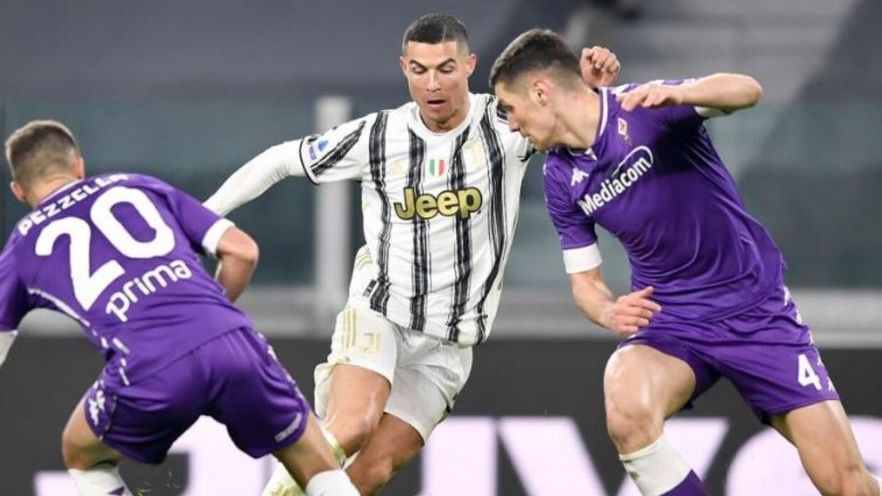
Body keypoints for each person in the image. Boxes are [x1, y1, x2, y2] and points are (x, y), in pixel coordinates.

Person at [204, 13, 620, 496]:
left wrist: (589, 91)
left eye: (445, 68)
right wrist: (201, 219)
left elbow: (572, 122)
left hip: (450, 343)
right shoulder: (379, 135)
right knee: (352, 427)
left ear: (470, 65)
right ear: (404, 68)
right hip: (382, 311)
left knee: (369, 474)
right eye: (419, 70)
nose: (432, 84)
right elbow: (280, 160)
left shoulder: (506, 122)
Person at [489, 28, 882, 496]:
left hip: (755, 311)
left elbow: (747, 90)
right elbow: (585, 282)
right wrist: (608, 311)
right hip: (672, 319)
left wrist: (683, 93)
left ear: (540, 91)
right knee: (626, 405)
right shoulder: (559, 177)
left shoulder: (644, 107)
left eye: (510, 108)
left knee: (846, 484)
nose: (512, 124)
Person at [0, 120, 359, 496]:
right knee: (316, 462)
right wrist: (206, 321)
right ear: (78, 166)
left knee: (81, 455)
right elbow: (242, 252)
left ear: (18, 190)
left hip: (148, 364)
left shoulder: (23, 245)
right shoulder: (137, 185)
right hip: (231, 341)